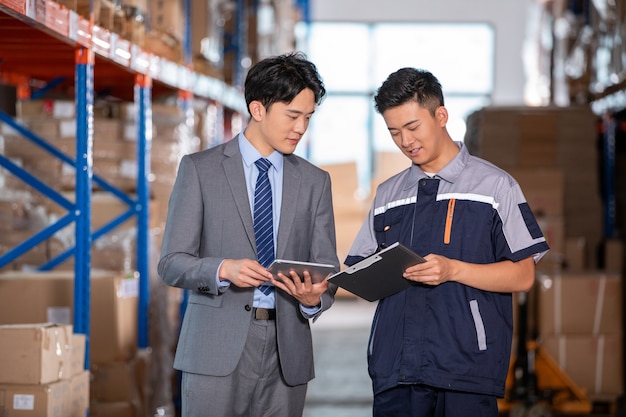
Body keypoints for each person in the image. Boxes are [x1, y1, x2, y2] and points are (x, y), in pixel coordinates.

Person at [344, 68, 550, 416]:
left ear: (441, 116)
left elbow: (523, 275)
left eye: (412, 127)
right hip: (396, 368)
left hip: (466, 369)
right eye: (394, 132)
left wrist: (453, 270)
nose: (405, 141)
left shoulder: (496, 187)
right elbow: (360, 269)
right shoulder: (388, 194)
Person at [158, 52, 339, 417]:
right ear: (258, 109)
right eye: (292, 116)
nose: (301, 128)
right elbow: (171, 263)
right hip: (214, 349)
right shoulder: (200, 170)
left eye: (307, 117)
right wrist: (223, 269)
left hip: (286, 352)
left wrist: (311, 299)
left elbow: (327, 269)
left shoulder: (315, 182)